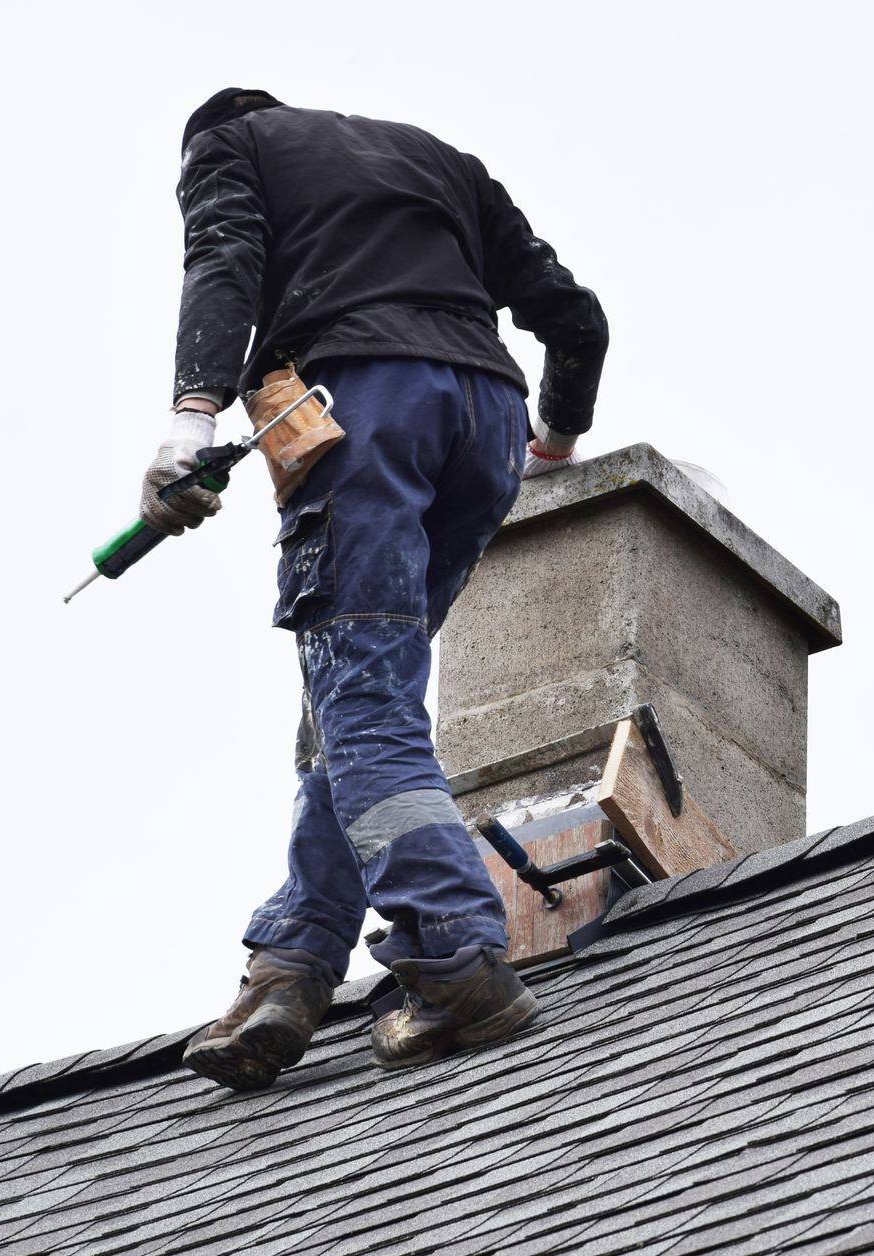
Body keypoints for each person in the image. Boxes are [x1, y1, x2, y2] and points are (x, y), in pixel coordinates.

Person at [148, 89, 608, 1089]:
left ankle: (456, 953)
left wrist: (191, 420)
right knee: (362, 702)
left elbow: (222, 263)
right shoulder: (441, 159)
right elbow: (576, 320)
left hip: (362, 406)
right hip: (485, 422)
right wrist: (556, 441)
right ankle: (295, 961)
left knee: (360, 703)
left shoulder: (229, 140)